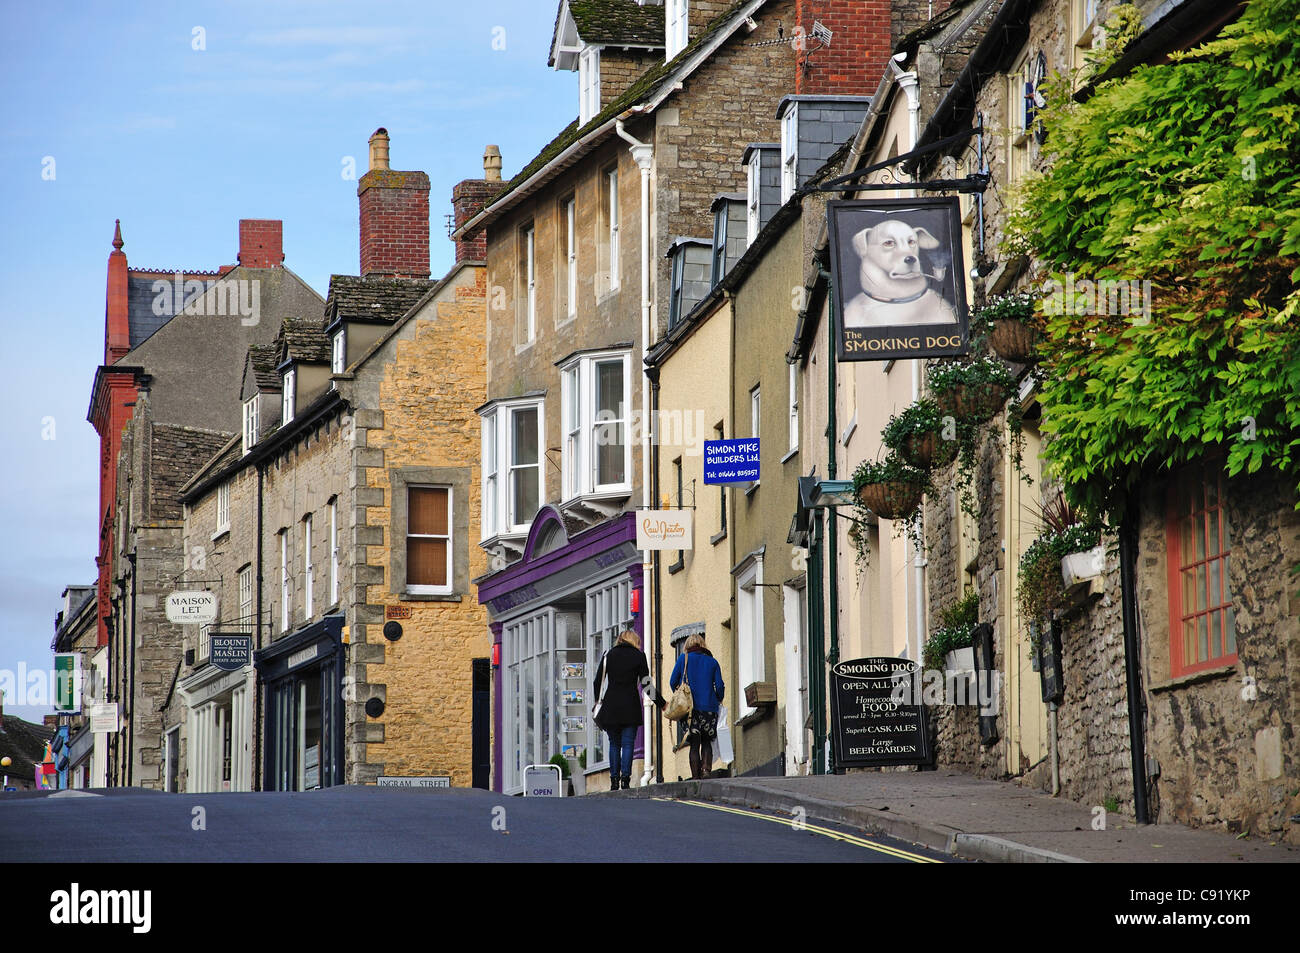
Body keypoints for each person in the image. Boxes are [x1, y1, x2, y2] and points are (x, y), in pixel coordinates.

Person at [592, 629, 664, 790]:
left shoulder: (608, 655)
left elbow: (597, 682)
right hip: (630, 706)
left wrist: (598, 700)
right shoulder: (638, 656)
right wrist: (661, 703)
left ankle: (613, 780)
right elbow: (646, 684)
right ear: (634, 641)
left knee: (614, 744)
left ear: (620, 640)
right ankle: (625, 779)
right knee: (628, 743)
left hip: (611, 706)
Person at [669, 632, 725, 780]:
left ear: (687, 646)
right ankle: (706, 770)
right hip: (710, 709)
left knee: (694, 742)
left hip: (690, 710)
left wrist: (681, 695)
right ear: (703, 645)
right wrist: (718, 698)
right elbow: (719, 686)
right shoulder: (713, 662)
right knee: (706, 740)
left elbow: (672, 681)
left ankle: (695, 777)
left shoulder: (683, 659)